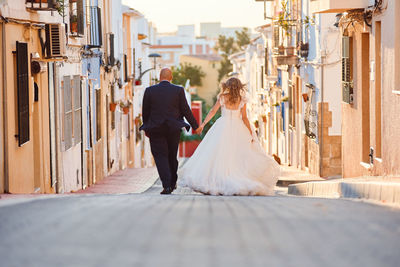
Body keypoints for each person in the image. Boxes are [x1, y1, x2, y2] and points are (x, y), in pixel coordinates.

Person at [178, 77, 280, 196]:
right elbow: (245, 118)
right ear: (239, 87)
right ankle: (235, 177)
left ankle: (218, 179)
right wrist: (251, 133)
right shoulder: (242, 100)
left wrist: (203, 124)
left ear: (227, 86)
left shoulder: (222, 98)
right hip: (238, 128)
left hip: (222, 127)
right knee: (237, 155)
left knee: (219, 154)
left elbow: (212, 111)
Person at [140, 68, 199, 194]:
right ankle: (172, 182)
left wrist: (146, 127)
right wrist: (195, 126)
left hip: (156, 129)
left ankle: (166, 185)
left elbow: (145, 112)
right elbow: (185, 110)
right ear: (171, 77)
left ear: (159, 77)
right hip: (173, 129)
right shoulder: (178, 90)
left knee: (160, 157)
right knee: (172, 156)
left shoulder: (149, 91)